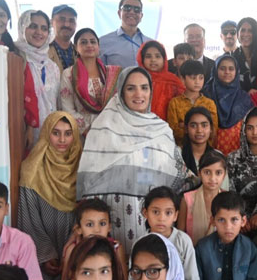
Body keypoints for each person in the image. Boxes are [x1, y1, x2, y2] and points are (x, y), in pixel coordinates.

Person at [77, 66, 189, 255]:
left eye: (144, 88)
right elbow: (91, 179)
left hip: (154, 219)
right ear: (121, 91)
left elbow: (173, 174)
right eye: (131, 88)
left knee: (150, 270)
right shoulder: (103, 126)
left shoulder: (162, 130)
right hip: (112, 218)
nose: (139, 94)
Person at [18, 111, 82, 280]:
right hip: (44, 253)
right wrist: (47, 255)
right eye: (56, 132)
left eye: (68, 133)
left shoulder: (84, 167)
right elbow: (28, 218)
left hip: (76, 247)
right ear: (46, 133)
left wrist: (71, 250)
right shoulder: (31, 168)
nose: (62, 139)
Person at [59, 28, 122, 136]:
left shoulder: (110, 73)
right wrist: (88, 131)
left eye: (93, 42)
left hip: (111, 130)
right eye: (83, 42)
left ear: (98, 47)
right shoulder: (68, 74)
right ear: (75, 47)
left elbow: (119, 104)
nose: (89, 45)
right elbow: (67, 108)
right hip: (83, 133)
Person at [140, 186, 201, 280]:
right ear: (145, 213)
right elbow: (135, 279)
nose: (161, 218)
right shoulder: (140, 244)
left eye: (168, 213)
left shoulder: (183, 241)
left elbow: (192, 279)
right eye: (155, 212)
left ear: (176, 215)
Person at [15, 10, 60, 147]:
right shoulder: (15, 59)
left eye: (44, 28)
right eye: (33, 26)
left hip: (49, 132)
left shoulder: (52, 66)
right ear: (23, 27)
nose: (39, 32)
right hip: (21, 132)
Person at [61, 198, 126, 280]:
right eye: (90, 224)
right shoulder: (73, 249)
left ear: (109, 227)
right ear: (79, 229)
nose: (97, 230)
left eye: (102, 223)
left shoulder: (116, 248)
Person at [203, 55, 255, 154]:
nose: (227, 72)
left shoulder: (244, 98)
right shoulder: (205, 94)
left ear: (236, 72)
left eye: (231, 69)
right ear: (215, 70)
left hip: (238, 152)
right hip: (209, 151)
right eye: (222, 68)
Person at [179, 151, 228, 244]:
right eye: (207, 172)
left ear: (224, 175)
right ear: (199, 173)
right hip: (193, 254)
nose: (213, 178)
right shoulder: (187, 199)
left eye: (218, 173)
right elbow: (180, 235)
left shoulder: (228, 199)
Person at [167, 60, 219, 145]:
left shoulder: (209, 103)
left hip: (204, 150)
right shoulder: (175, 103)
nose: (197, 81)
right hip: (181, 150)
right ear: (183, 79)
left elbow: (212, 131)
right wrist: (202, 127)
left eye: (201, 77)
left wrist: (184, 126)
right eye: (193, 78)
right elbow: (173, 131)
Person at [136, 40, 186, 121]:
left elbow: (182, 106)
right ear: (141, 58)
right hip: (138, 125)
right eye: (148, 56)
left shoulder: (173, 81)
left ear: (164, 59)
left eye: (157, 56)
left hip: (166, 127)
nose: (153, 60)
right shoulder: (135, 79)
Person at [99, 0, 152, 68]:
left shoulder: (150, 43)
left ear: (141, 16)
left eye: (137, 9)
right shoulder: (103, 42)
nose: (132, 12)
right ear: (119, 13)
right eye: (127, 8)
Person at [232, 17, 257, 93]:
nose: (246, 34)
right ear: (238, 34)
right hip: (237, 103)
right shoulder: (231, 59)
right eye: (243, 30)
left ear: (255, 34)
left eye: (250, 31)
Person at [48, 4, 78, 72]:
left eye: (71, 20)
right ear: (51, 22)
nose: (67, 24)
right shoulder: (42, 51)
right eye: (62, 19)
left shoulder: (80, 52)